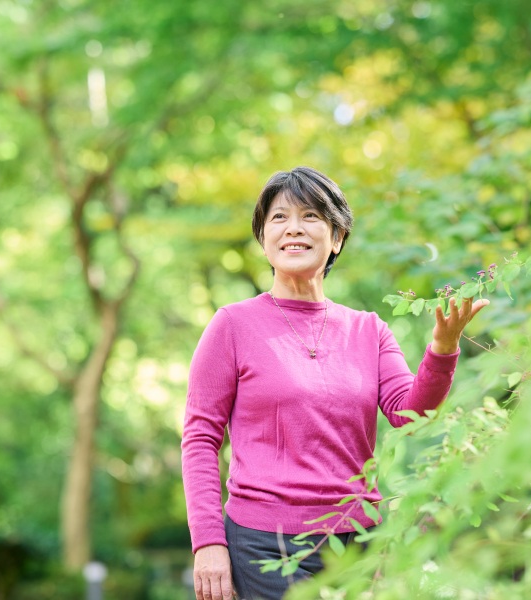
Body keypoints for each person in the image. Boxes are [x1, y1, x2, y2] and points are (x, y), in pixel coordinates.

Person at [181, 167, 488, 600]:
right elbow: (199, 439)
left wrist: (443, 347)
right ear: (264, 238)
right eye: (278, 217)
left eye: (310, 216)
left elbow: (409, 414)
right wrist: (209, 543)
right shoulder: (231, 325)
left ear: (337, 237)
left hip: (358, 543)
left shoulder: (368, 329)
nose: (293, 229)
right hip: (266, 543)